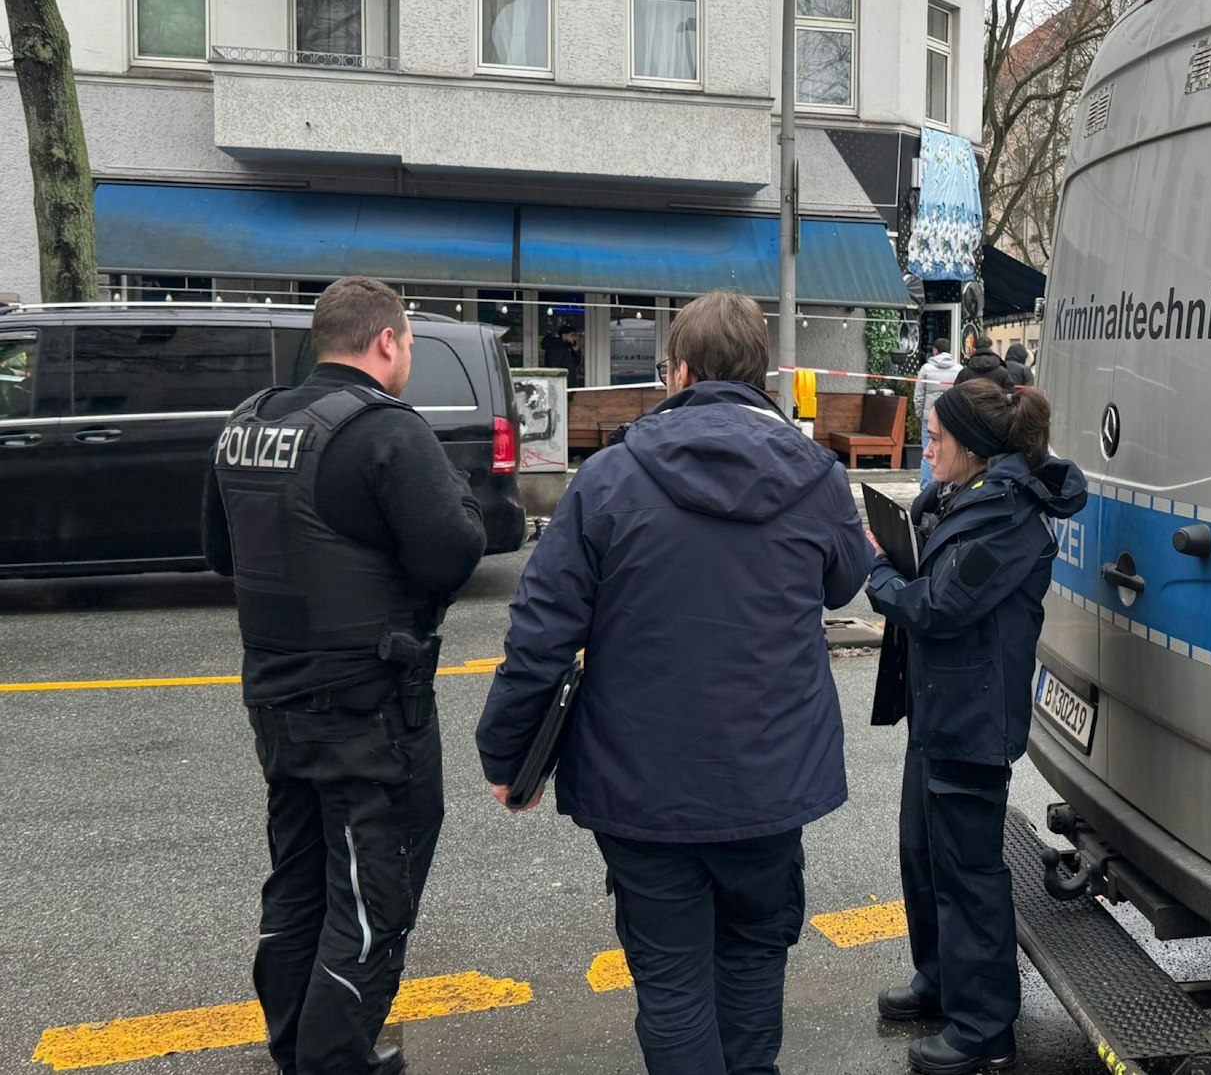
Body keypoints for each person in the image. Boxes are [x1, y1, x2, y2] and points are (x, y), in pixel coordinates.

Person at [478, 289, 871, 1075]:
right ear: (759, 375)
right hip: (768, 777)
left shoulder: (609, 478)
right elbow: (844, 581)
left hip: (641, 782)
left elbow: (542, 632)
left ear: (679, 371)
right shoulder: (814, 473)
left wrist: (507, 755)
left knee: (671, 981)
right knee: (755, 957)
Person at [202, 275, 485, 1075]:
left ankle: (296, 1041)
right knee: (373, 893)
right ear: (387, 341)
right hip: (369, 712)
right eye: (409, 348)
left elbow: (222, 553)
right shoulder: (387, 432)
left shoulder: (248, 422)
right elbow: (453, 550)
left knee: (300, 876)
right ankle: (334, 1057)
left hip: (277, 700)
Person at [865, 378, 1088, 1075]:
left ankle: (984, 1027)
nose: (926, 450)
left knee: (968, 873)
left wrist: (879, 571)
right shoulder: (963, 496)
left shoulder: (1010, 518)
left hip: (973, 718)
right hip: (939, 709)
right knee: (923, 853)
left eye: (934, 439)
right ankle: (940, 980)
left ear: (971, 446)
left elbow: (938, 604)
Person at [914, 342, 962, 488]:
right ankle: (947, 487)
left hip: (930, 418)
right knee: (950, 452)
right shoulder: (959, 369)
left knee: (928, 453)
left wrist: (919, 413)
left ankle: (926, 489)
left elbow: (919, 395)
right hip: (951, 418)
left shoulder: (926, 369)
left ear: (935, 350)